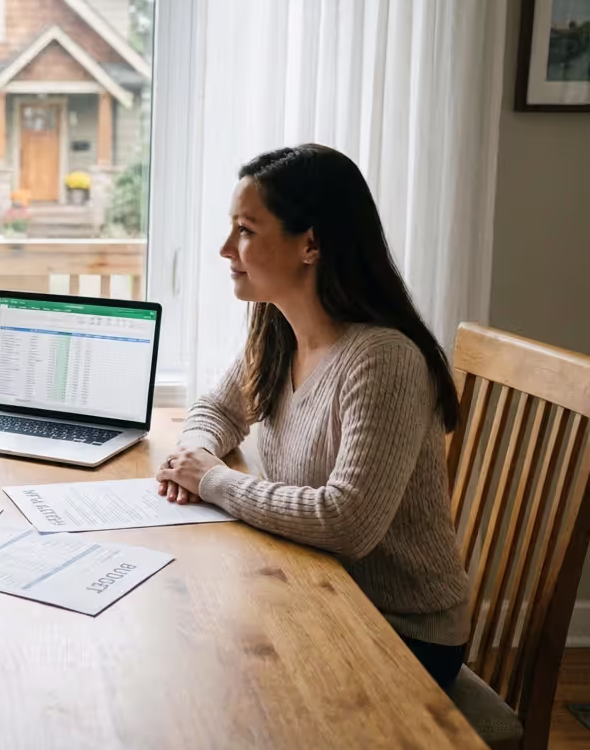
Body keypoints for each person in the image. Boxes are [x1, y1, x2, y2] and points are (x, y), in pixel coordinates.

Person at [156, 144, 469, 691]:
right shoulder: (276, 329)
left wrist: (212, 479)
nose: (226, 248)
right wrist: (198, 449)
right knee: (181, 646)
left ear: (312, 244)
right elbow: (217, 407)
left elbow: (347, 523)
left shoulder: (383, 359)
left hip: (399, 630)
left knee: (209, 680)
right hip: (314, 589)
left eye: (246, 231)